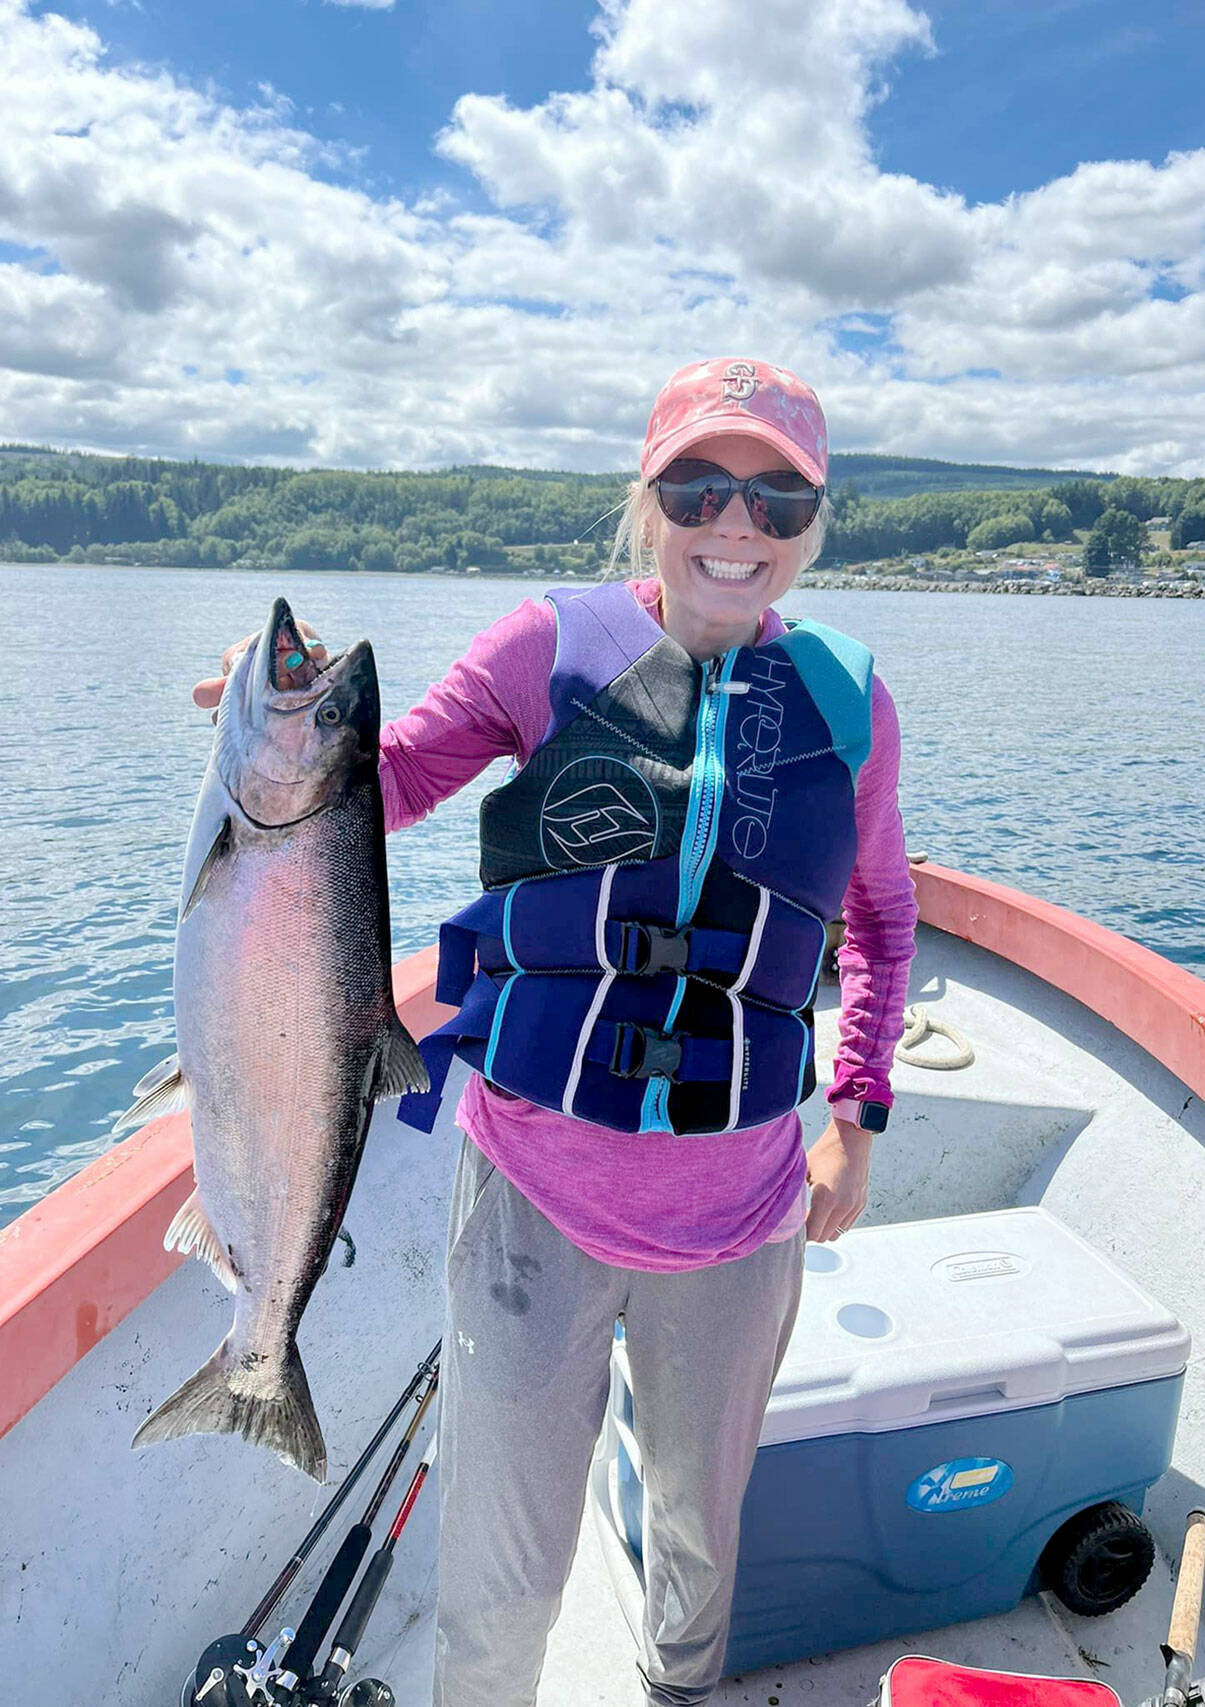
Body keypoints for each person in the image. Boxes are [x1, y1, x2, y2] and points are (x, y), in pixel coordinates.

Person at [194, 356, 918, 1707]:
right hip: (533, 1194)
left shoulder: (848, 702)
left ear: (817, 522)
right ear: (649, 502)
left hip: (747, 1208)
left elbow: (879, 922)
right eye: (701, 486)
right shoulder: (547, 644)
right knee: (498, 1575)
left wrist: (856, 1123)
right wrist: (276, 720)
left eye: (779, 498)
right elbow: (384, 782)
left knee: (702, 1544)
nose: (736, 526)